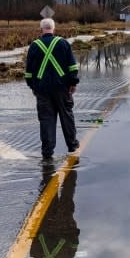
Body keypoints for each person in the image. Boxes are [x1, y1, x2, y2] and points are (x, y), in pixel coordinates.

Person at [25, 17, 80, 159]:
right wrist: (73, 83)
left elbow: (29, 72)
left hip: (42, 90)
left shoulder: (34, 46)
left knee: (46, 120)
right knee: (66, 116)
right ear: (54, 29)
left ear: (41, 29)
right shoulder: (63, 43)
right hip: (63, 89)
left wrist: (32, 86)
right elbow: (72, 67)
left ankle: (47, 152)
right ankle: (72, 145)